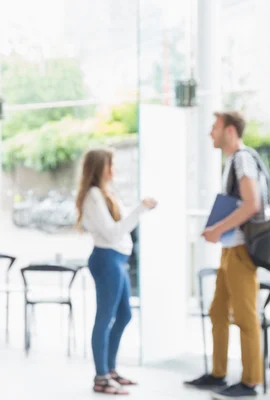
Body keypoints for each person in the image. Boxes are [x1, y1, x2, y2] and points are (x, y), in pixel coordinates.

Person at [185, 111, 267, 399]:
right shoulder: (233, 161)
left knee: (246, 317)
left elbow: (252, 204)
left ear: (230, 131)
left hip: (241, 251)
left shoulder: (243, 159)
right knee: (218, 311)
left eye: (215, 128)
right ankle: (218, 374)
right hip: (230, 251)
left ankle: (250, 382)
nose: (210, 133)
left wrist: (217, 229)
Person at [75, 148, 157, 395]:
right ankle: (101, 377)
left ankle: (109, 370)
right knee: (105, 317)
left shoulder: (105, 194)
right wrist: (140, 209)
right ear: (101, 168)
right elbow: (113, 232)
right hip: (106, 260)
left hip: (117, 260)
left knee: (124, 315)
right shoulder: (92, 196)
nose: (114, 170)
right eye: (111, 165)